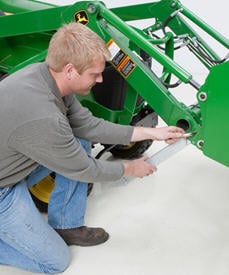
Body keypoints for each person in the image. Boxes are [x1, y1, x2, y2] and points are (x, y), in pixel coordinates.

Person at [0, 22, 185, 273]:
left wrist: (151, 132)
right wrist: (130, 169)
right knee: (56, 261)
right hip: (4, 191)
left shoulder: (46, 77)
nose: (100, 80)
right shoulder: (45, 117)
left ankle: (66, 224)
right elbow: (84, 169)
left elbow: (87, 125)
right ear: (69, 70)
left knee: (79, 138)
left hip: (12, 162)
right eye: (94, 74)